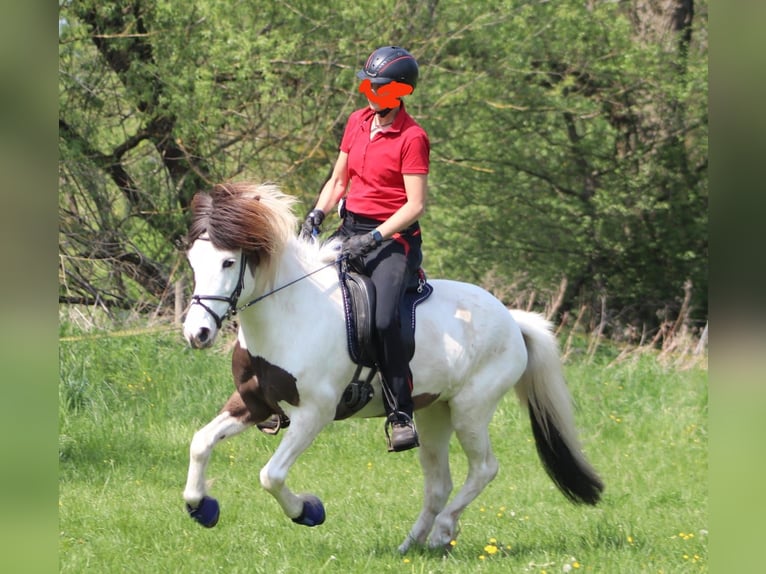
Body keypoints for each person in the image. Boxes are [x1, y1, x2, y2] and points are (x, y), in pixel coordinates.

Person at [300, 46, 429, 452]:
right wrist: (317, 214)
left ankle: (400, 413)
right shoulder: (357, 122)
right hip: (349, 226)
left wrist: (374, 238)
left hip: (393, 240)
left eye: (378, 87)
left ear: (400, 90)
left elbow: (415, 205)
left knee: (384, 318)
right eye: (369, 84)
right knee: (300, 289)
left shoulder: (413, 137)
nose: (369, 92)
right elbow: (339, 180)